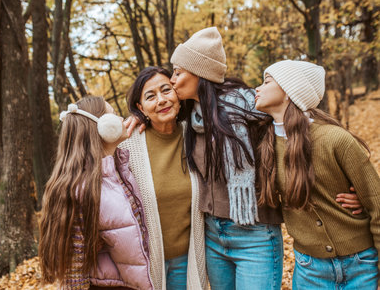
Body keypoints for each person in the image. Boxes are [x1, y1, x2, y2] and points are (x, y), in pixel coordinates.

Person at [167, 27, 363, 290]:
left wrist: (351, 189)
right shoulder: (190, 120)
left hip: (255, 237)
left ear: (200, 73)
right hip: (213, 235)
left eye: (178, 72)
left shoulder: (255, 111)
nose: (172, 80)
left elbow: (303, 138)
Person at [255, 60, 380, 290]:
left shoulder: (335, 140)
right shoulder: (265, 145)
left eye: (267, 81)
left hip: (361, 265)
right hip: (310, 270)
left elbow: (377, 203)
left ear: (289, 91)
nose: (257, 88)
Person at [38, 96, 153, 289]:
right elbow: (73, 275)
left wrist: (144, 116)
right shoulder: (81, 190)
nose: (120, 119)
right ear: (102, 128)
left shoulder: (118, 167)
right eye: (113, 114)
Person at [121, 66, 207, 289]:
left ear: (177, 95)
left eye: (166, 90)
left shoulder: (197, 133)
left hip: (185, 260)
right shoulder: (128, 145)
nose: (161, 100)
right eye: (150, 97)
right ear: (140, 108)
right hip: (143, 263)